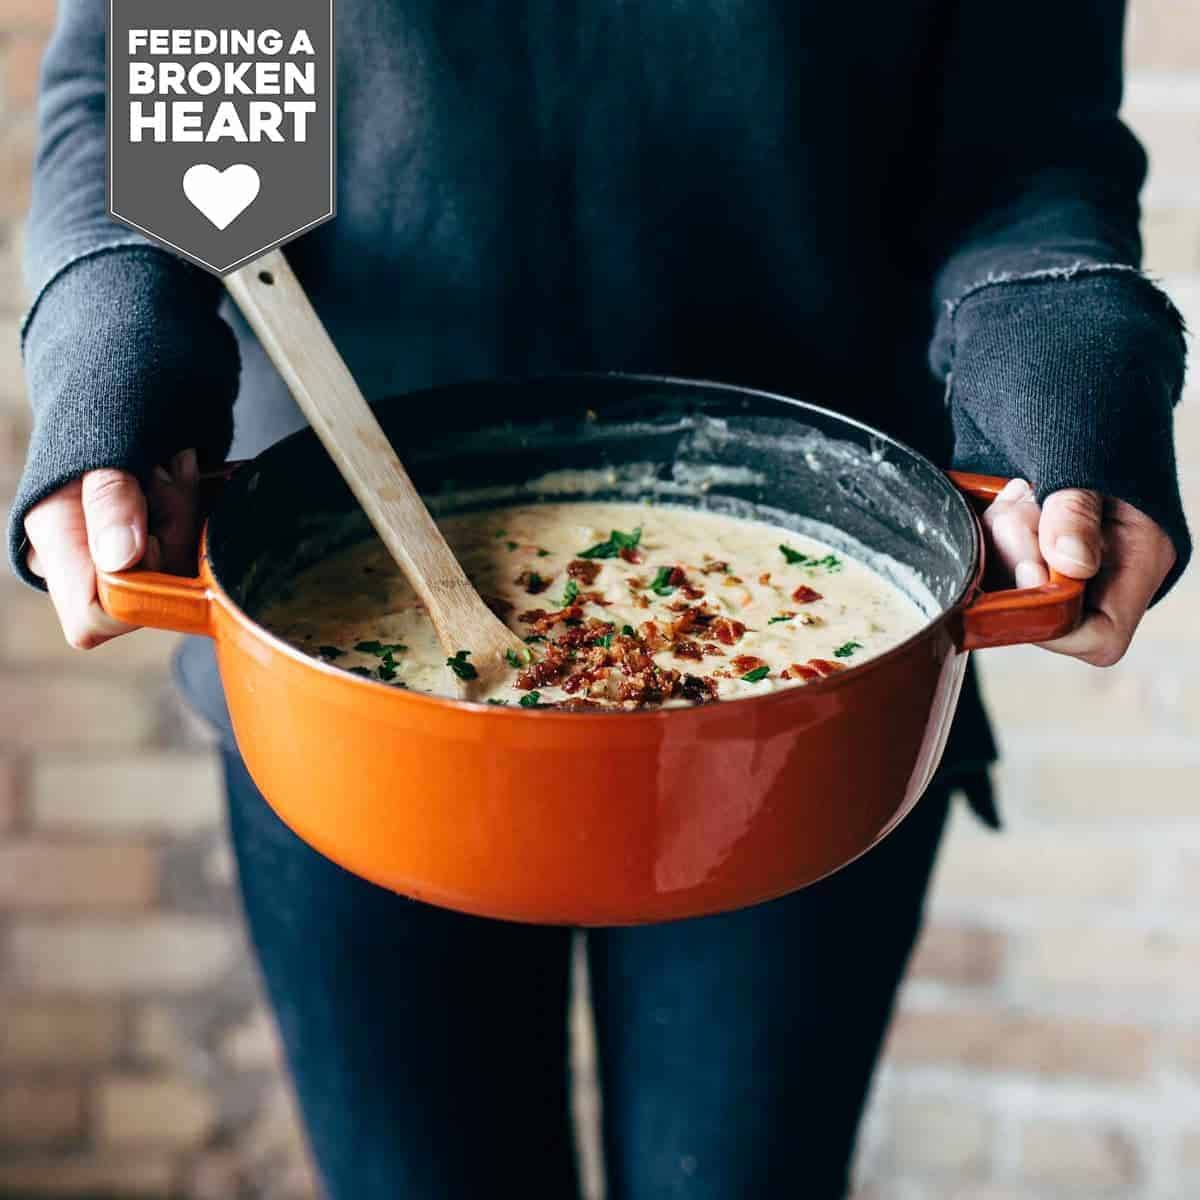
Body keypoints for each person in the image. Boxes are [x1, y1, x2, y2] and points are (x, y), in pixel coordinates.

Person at [8, 2, 1189, 1197]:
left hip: (820, 678)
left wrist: (1067, 373)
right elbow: (151, 100)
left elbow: (1025, 146)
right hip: (333, 661)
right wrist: (116, 361)